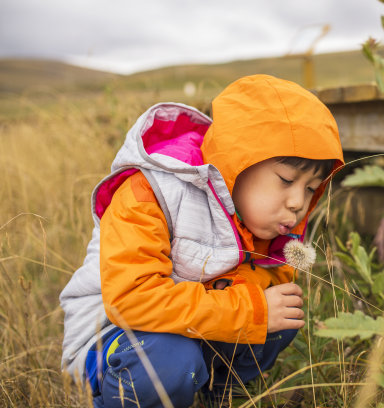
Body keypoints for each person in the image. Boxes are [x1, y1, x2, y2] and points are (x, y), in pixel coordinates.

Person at [59, 74, 344, 407]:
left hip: (188, 327)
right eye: (286, 180)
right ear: (238, 163)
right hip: (111, 337)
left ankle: (219, 393)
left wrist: (260, 307)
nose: (298, 203)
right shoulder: (152, 191)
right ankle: (123, 394)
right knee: (169, 360)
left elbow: (265, 289)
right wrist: (248, 310)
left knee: (280, 312)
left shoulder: (267, 223)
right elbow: (132, 301)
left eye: (311, 189)